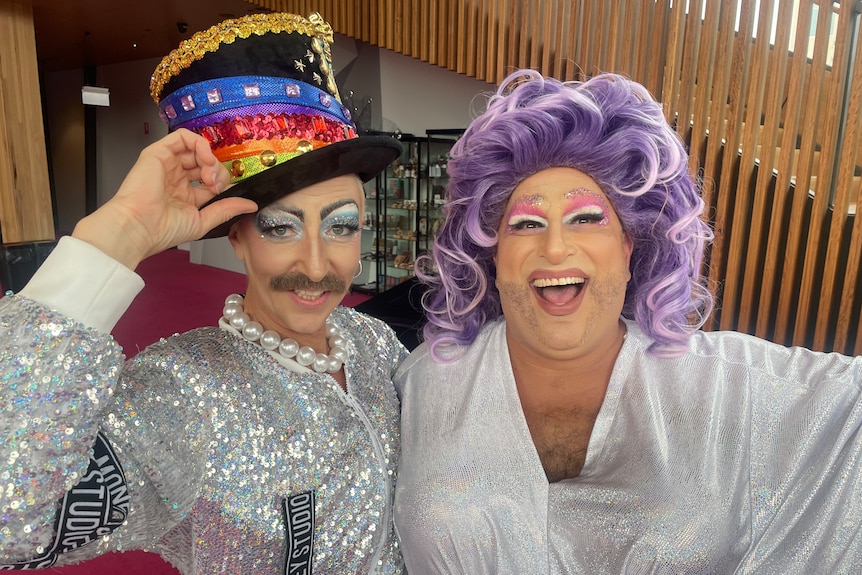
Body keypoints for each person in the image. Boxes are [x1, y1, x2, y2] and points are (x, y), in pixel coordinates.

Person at [394, 69, 862, 574]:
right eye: (526, 224)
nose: (554, 248)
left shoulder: (734, 387)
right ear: (492, 253)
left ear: (629, 244)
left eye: (586, 219)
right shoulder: (422, 384)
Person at [0, 12, 408, 574]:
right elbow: (12, 519)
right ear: (237, 238)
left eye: (340, 226)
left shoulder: (375, 345)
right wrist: (118, 233)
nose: (317, 265)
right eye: (279, 227)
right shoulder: (186, 391)